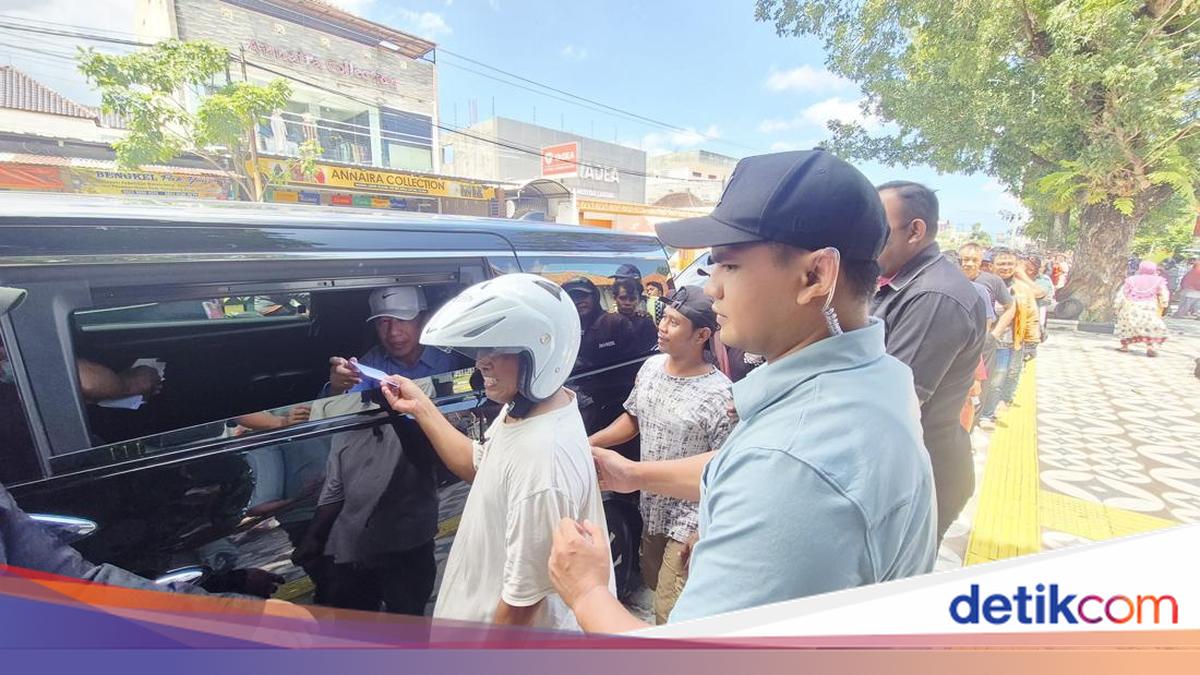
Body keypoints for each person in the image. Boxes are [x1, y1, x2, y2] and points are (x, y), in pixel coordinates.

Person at [547, 150, 936, 632]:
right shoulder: (871, 379)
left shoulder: (791, 466)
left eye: (728, 265)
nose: (711, 290)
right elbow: (741, 466)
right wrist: (634, 473)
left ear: (816, 276)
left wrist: (586, 590)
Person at [380, 273, 613, 629]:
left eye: (496, 350)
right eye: (480, 349)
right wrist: (422, 408)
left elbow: (524, 601)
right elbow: (482, 466)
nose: (480, 362)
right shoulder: (531, 405)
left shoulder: (542, 461)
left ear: (542, 350)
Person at [588, 285, 733, 624]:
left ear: (702, 335)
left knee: (670, 607)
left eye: (674, 323)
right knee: (653, 581)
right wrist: (591, 441)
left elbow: (727, 471)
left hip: (691, 516)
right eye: (663, 318)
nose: (662, 328)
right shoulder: (651, 368)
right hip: (652, 507)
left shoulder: (721, 396)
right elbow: (634, 418)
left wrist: (703, 531)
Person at [872, 181, 986, 540]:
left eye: (877, 229)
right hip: (900, 469)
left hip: (919, 477)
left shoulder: (935, 296)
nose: (865, 239)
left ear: (915, 231)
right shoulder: (898, 282)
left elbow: (889, 405)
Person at [325, 286, 454, 396]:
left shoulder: (450, 354)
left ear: (423, 320)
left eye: (403, 319)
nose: (393, 332)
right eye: (384, 322)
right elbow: (348, 403)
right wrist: (338, 388)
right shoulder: (373, 361)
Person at [1116, 261, 1170, 357]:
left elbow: (1123, 293)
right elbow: (1164, 292)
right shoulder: (1158, 280)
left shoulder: (1131, 279)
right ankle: (1150, 347)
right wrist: (1164, 303)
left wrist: (1117, 305)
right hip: (1149, 306)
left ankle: (1125, 346)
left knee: (1127, 326)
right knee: (1148, 327)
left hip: (1131, 306)